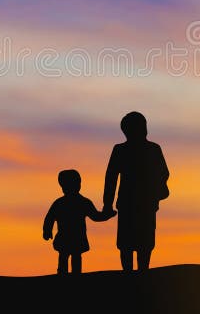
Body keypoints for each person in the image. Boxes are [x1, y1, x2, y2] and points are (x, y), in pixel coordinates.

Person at [103, 111, 170, 272]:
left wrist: (108, 204)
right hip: (134, 203)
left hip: (140, 203)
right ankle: (137, 274)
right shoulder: (148, 149)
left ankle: (140, 273)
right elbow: (111, 177)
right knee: (132, 244)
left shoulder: (148, 149)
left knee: (142, 243)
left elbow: (163, 173)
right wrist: (107, 203)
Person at [43, 169, 115, 274]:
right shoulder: (66, 203)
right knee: (65, 256)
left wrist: (107, 215)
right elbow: (50, 218)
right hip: (68, 237)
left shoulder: (76, 202)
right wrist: (47, 230)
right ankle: (65, 275)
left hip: (73, 237)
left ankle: (73, 275)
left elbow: (96, 216)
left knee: (73, 257)